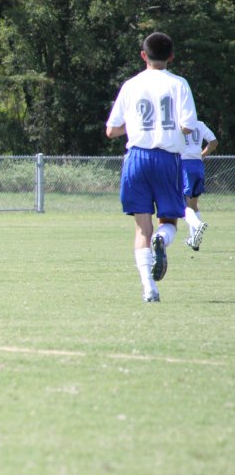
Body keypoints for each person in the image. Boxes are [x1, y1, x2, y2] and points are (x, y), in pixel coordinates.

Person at [106, 32, 198, 302]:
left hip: (136, 159)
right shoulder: (179, 84)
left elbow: (111, 131)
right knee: (169, 220)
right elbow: (188, 125)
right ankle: (163, 238)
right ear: (171, 56)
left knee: (141, 228)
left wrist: (134, 126)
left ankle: (150, 289)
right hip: (167, 159)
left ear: (143, 55)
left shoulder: (130, 85)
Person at [181, 120, 218, 251]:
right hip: (198, 165)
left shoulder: (179, 123)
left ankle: (197, 225)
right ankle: (194, 241)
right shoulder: (200, 124)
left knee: (182, 205)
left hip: (184, 165)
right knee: (193, 204)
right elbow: (214, 142)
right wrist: (201, 155)